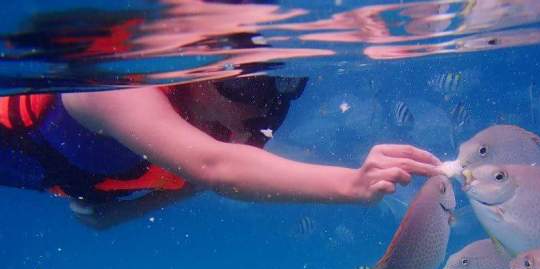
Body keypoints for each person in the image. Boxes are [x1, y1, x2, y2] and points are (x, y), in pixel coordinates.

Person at [0, 75, 441, 229]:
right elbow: (212, 167)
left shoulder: (233, 124)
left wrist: (118, 215)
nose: (255, 112)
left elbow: (191, 178)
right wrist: (351, 183)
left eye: (271, 98)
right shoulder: (113, 90)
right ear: (200, 76)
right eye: (245, 86)